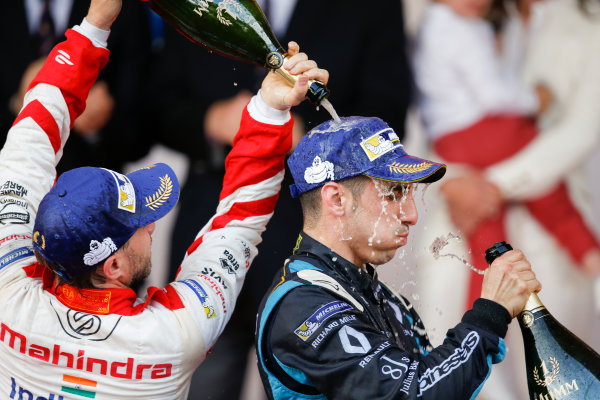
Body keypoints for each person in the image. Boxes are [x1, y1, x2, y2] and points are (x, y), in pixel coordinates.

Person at [0, 0, 329, 398]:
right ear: (114, 264)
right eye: (138, 222)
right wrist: (272, 109)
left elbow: (26, 145)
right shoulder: (172, 338)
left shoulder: (10, 295)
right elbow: (240, 219)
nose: (151, 223)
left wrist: (94, 25)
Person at [254, 116, 542, 399]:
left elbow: (436, 380)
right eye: (393, 194)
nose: (411, 215)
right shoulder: (303, 305)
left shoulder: (387, 301)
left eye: (410, 194)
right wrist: (490, 313)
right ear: (336, 200)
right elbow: (415, 392)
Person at [412, 0, 600, 309]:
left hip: (480, 177)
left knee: (489, 249)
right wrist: (534, 101)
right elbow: (487, 95)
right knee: (553, 208)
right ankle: (590, 256)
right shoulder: (466, 24)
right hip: (474, 157)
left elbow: (581, 133)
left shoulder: (587, 21)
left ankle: (481, 328)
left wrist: (488, 187)